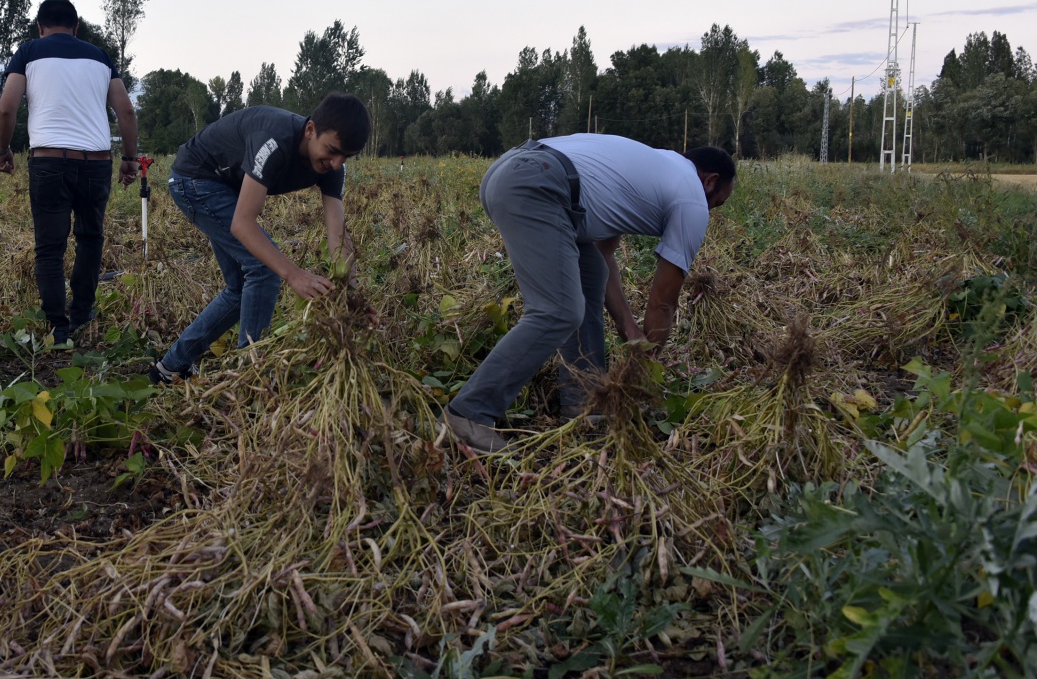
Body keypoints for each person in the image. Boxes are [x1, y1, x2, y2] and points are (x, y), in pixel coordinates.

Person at [441, 135, 736, 453]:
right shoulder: (692, 198)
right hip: (540, 181)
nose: (711, 212)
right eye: (717, 203)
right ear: (710, 182)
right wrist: (648, 364)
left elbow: (603, 254)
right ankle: (468, 414)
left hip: (511, 170)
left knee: (590, 273)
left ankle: (587, 407)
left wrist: (629, 329)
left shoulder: (653, 167)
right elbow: (662, 301)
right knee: (558, 310)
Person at [149, 94, 371, 383]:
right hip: (195, 178)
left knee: (242, 287)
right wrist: (294, 274)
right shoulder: (274, 140)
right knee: (263, 270)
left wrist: (352, 298)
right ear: (310, 130)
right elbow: (242, 223)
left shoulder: (333, 167)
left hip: (225, 187)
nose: (336, 162)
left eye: (346, 156)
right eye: (331, 150)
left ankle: (171, 366)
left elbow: (338, 235)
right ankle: (250, 382)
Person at [0, 0, 140, 345]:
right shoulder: (100, 57)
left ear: (40, 27)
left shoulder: (30, 51)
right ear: (76, 28)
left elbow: (5, 110)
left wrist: (3, 151)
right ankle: (83, 313)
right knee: (91, 239)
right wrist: (129, 158)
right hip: (97, 163)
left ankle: (57, 329)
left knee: (50, 247)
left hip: (48, 162)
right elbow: (127, 112)